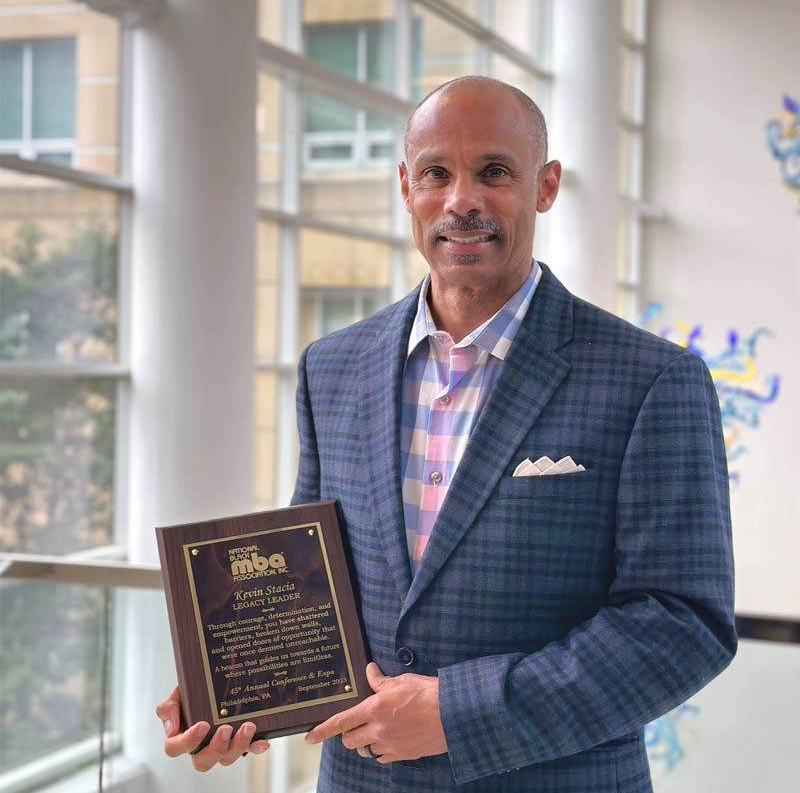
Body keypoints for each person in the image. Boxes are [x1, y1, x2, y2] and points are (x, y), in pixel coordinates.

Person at [157, 76, 736, 792]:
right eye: (437, 173)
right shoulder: (330, 368)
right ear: (407, 186)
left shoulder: (652, 380)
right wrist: (230, 691)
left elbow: (683, 624)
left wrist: (460, 713)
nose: (462, 200)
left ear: (545, 186)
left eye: (494, 172)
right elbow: (311, 590)